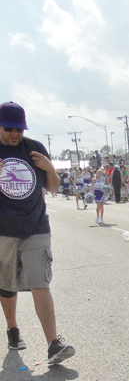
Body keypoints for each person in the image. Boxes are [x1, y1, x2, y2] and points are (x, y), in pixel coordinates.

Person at [0, 101, 74, 364]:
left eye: (19, 129)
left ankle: (53, 344)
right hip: (3, 231)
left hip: (35, 227)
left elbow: (53, 188)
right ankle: (12, 328)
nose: (15, 134)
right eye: (9, 129)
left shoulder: (33, 149)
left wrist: (49, 169)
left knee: (40, 282)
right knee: (6, 285)